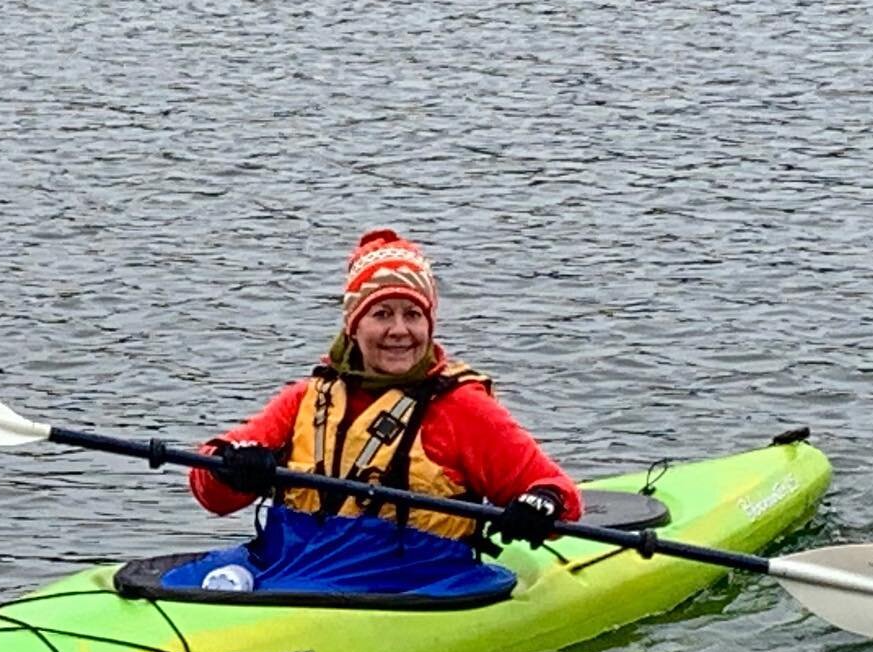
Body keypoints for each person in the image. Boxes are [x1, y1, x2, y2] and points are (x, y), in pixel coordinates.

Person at [189, 229, 582, 558]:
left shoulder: (462, 408)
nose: (399, 330)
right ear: (353, 328)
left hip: (413, 581)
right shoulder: (306, 400)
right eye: (381, 314)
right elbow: (211, 492)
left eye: (412, 315)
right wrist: (231, 469)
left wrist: (540, 506)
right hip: (298, 563)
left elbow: (557, 492)